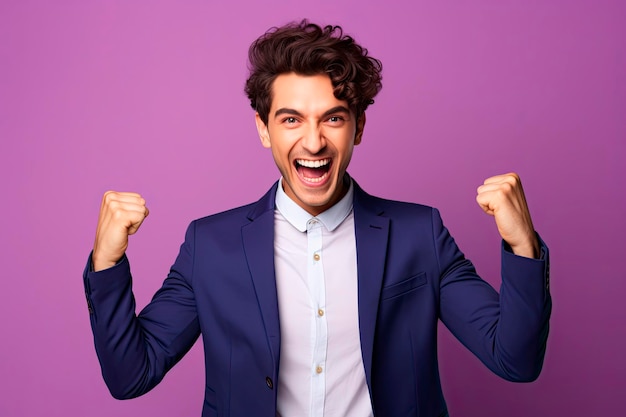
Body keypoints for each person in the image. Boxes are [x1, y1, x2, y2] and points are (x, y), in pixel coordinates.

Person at [83, 20, 551, 417]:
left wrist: (522, 246)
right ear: (263, 129)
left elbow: (515, 359)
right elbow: (132, 375)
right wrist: (107, 261)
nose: (313, 143)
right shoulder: (210, 245)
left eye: (332, 118)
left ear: (358, 127)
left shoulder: (419, 234)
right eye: (291, 120)